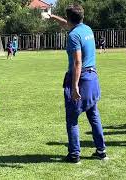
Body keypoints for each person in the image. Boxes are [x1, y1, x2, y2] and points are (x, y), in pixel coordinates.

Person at [47, 4, 107, 163]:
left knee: (72, 118)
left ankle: (74, 154)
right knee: (93, 115)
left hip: (80, 79)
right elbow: (68, 25)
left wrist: (74, 87)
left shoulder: (73, 36)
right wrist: (53, 18)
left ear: (69, 18)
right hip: (93, 77)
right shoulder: (87, 29)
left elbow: (77, 62)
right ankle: (101, 151)